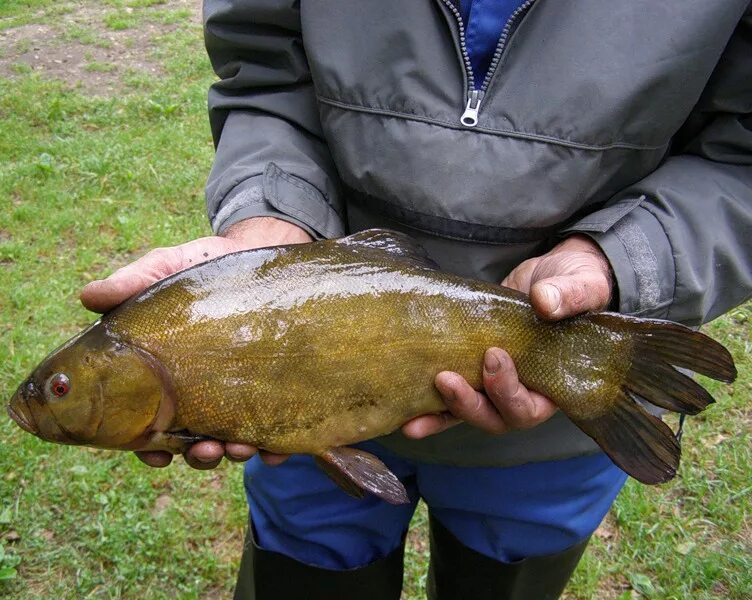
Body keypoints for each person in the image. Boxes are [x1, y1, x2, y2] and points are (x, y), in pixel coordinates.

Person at [81, 1, 752, 598]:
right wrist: (271, 222)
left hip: (546, 431)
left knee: (508, 568)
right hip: (303, 391)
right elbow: (264, 76)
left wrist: (622, 261)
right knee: (308, 562)